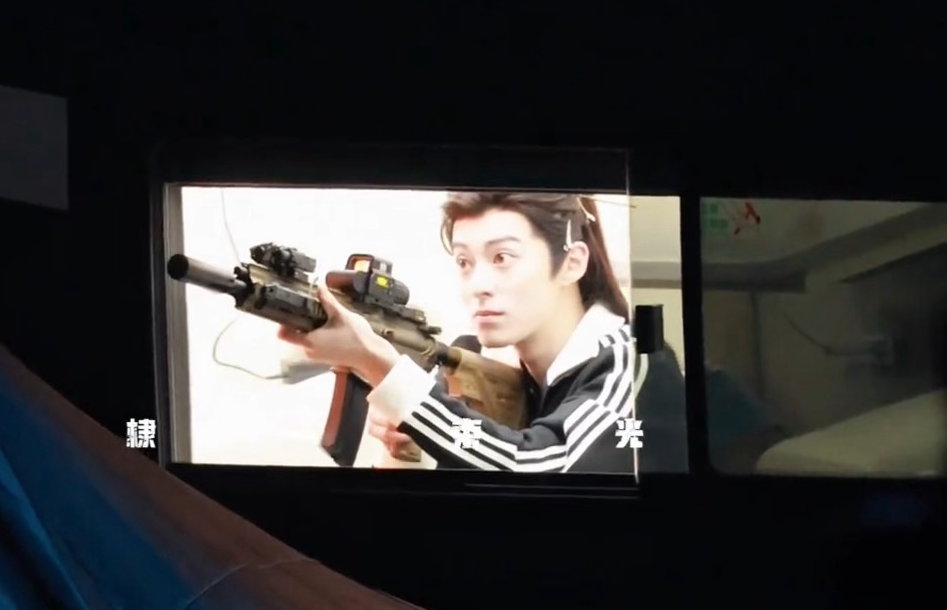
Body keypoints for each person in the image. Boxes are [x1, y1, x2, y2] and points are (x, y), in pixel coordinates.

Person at [279, 190, 687, 474]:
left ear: (571, 263)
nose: (478, 285)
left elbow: (543, 465)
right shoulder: (474, 359)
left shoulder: (632, 365)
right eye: (464, 262)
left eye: (502, 257)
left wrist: (379, 364)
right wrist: (408, 442)